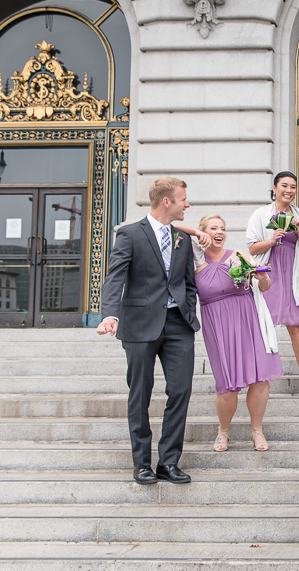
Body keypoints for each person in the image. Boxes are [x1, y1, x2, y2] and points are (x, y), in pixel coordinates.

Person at [97, 177, 200, 485]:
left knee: (180, 391)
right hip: (140, 324)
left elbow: (189, 283)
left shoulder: (182, 239)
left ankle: (168, 462)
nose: (187, 204)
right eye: (183, 199)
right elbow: (115, 278)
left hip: (178, 325)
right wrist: (110, 314)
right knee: (140, 394)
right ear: (167, 201)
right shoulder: (129, 234)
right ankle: (142, 463)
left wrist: (188, 310)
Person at [180, 214, 283, 452]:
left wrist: (262, 277)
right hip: (218, 327)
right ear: (204, 232)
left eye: (223, 228)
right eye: (213, 228)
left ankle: (256, 430)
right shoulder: (195, 262)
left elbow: (264, 286)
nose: (220, 232)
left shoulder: (238, 255)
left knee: (260, 379)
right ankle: (223, 431)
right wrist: (196, 233)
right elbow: (171, 226)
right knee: (227, 385)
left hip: (248, 321)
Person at [245, 171, 299, 399]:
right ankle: (262, 378)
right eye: (284, 185)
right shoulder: (261, 214)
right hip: (269, 274)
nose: (289, 190)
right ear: (274, 188)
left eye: (293, 186)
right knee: (264, 326)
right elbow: (252, 248)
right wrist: (271, 240)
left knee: (295, 327)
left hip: (291, 275)